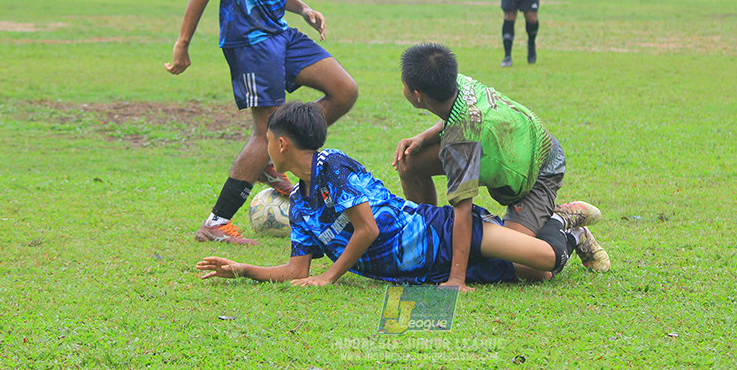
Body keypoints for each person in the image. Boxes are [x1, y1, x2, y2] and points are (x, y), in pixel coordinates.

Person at [165, 0, 359, 245]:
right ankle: (217, 222)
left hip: (278, 32)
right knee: (265, 130)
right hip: (250, 38)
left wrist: (302, 8)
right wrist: (183, 43)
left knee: (344, 90)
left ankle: (276, 154)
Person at [197, 101, 602, 288]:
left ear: (282, 144)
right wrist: (243, 269)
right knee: (539, 276)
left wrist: (330, 276)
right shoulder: (301, 207)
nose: (266, 147)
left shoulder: (332, 165)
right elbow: (296, 271)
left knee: (546, 259)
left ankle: (562, 220)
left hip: (441, 233)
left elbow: (368, 229)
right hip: (429, 273)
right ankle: (567, 230)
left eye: (267, 140)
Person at [392, 43, 609, 289]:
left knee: (523, 265)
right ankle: (430, 238)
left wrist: (456, 279)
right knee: (409, 162)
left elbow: (463, 211)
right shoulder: (458, 83)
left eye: (403, 84)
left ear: (417, 95)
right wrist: (423, 137)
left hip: (539, 171)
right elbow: (458, 117)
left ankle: (564, 223)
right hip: (505, 151)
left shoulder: (461, 144)